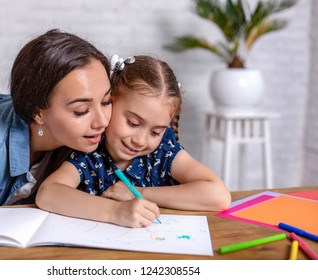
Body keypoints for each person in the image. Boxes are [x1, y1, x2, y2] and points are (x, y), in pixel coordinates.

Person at [36, 55, 231, 228]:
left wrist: (140, 193)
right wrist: (116, 212)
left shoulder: (163, 150)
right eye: (133, 123)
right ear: (109, 103)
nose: (140, 140)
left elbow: (219, 196)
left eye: (155, 132)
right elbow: (48, 193)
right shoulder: (91, 150)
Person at [0, 29, 112, 206]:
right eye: (81, 111)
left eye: (106, 101)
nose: (102, 121)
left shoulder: (87, 136)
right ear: (37, 113)